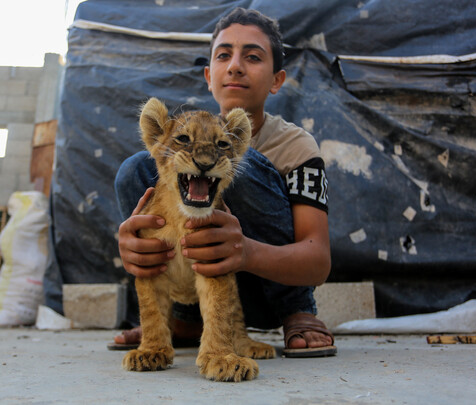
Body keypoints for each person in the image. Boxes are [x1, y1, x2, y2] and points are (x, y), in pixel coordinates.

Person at [111, 7, 336, 357]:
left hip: (265, 291)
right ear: (208, 75)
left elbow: (318, 259)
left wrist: (243, 251)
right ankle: (184, 316)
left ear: (277, 79)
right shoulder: (178, 143)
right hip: (195, 284)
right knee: (136, 168)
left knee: (231, 166)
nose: (234, 66)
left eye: (252, 56)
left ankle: (298, 311)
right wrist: (134, 243)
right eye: (223, 55)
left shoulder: (297, 146)